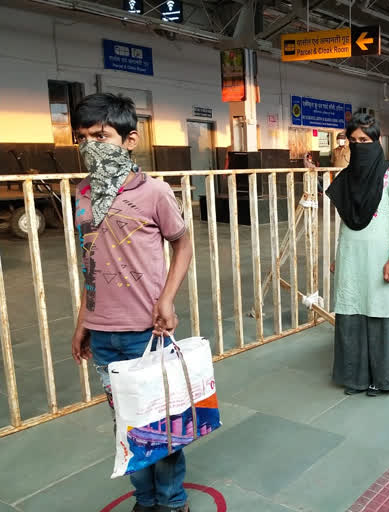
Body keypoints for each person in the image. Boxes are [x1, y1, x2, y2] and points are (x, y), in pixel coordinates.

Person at [69, 94, 193, 512]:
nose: (91, 146)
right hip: (103, 335)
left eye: (101, 136)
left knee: (161, 421)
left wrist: (168, 300)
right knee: (127, 425)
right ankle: (145, 499)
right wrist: (83, 320)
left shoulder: (153, 191)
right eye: (83, 138)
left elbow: (183, 244)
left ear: (129, 139)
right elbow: (89, 264)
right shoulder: (82, 195)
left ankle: (173, 501)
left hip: (147, 330)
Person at [326, 113, 389, 397]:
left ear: (376, 140)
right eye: (353, 140)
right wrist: (339, 255)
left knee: (379, 312)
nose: (359, 145)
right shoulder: (345, 178)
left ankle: (380, 379)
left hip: (379, 258)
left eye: (364, 140)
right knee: (351, 312)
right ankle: (355, 378)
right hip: (351, 255)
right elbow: (345, 221)